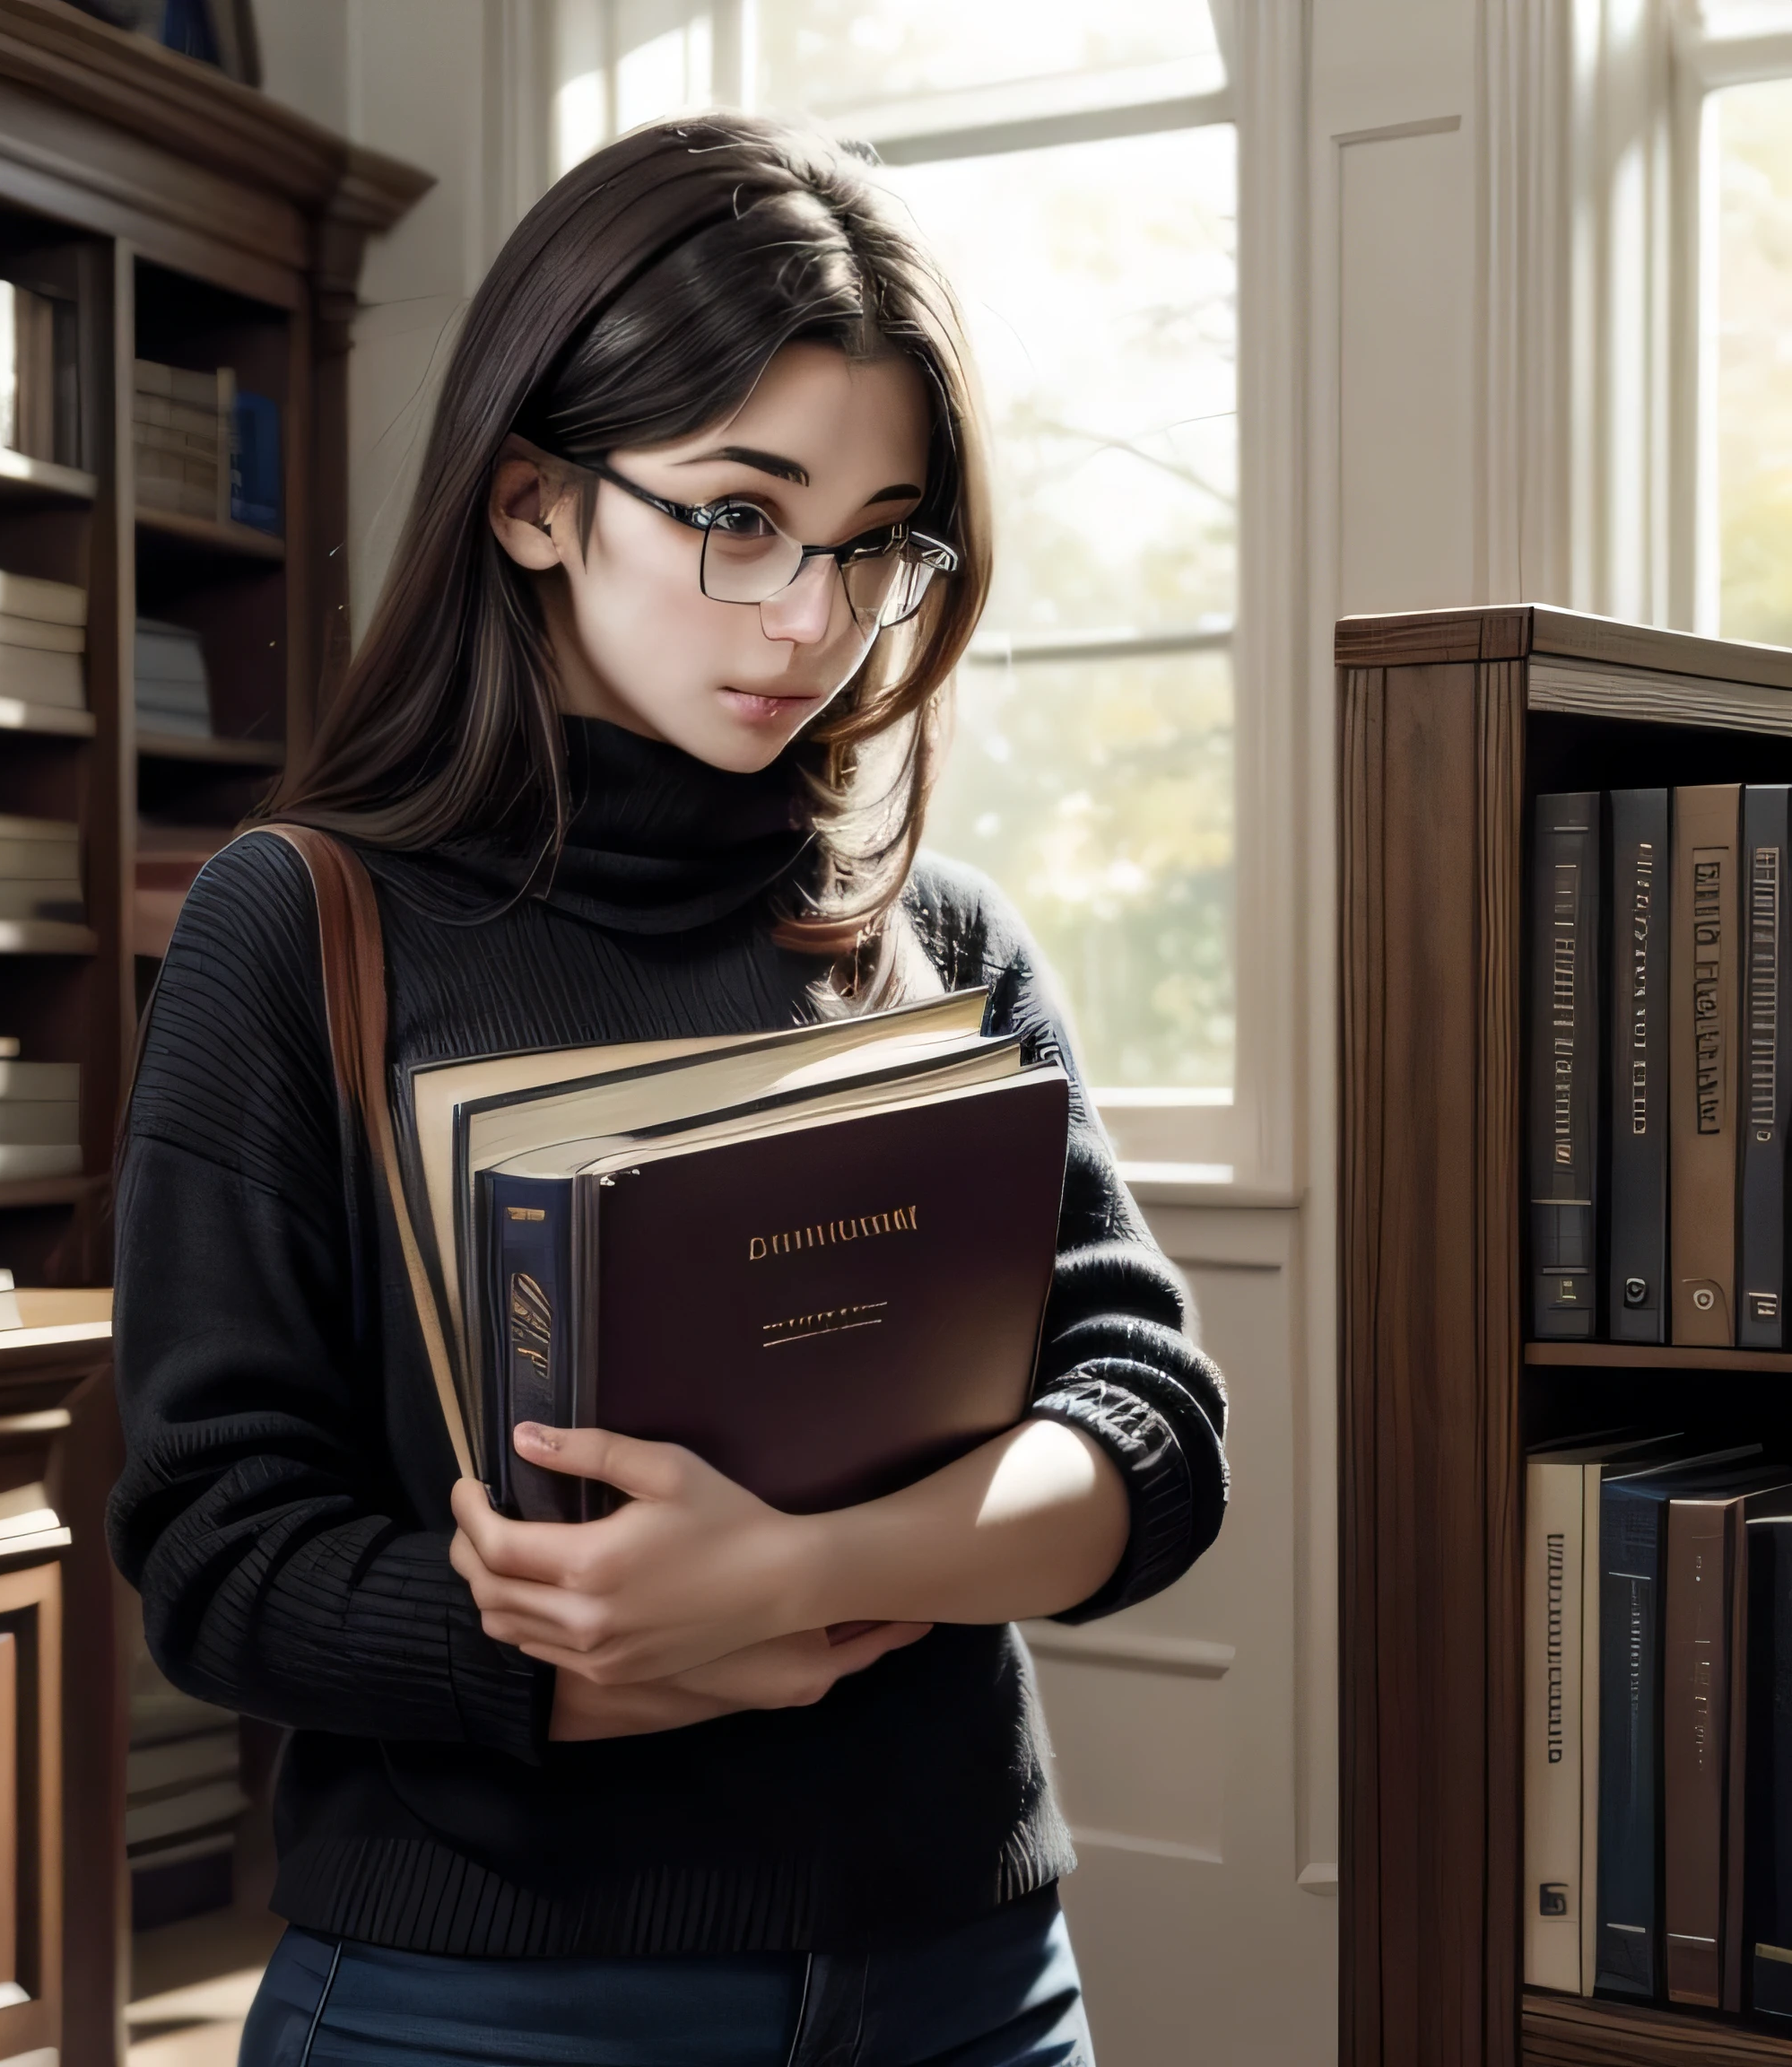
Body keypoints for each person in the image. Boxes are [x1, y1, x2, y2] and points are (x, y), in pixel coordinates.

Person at [111, 115, 1229, 2067]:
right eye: (737, 515)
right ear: (533, 498)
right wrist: (566, 1654)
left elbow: (1148, 1428)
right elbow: (212, 1555)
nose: (809, 617)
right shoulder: (294, 927)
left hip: (963, 1972)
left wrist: (800, 1576)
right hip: (483, 1999)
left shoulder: (935, 939)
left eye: (877, 540)